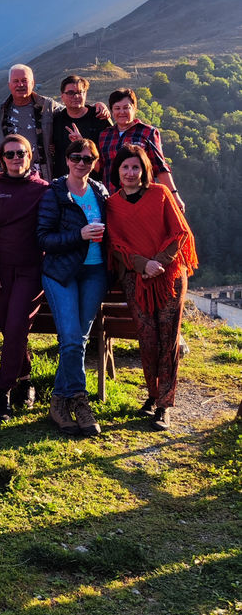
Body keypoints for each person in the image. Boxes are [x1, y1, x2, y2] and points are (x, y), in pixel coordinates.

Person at [105, 144, 197, 430]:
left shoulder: (160, 194)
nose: (130, 173)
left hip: (169, 276)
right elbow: (115, 244)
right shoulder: (112, 204)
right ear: (117, 171)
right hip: (137, 278)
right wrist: (142, 264)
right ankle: (152, 394)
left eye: (136, 167)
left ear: (145, 170)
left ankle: (164, 405)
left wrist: (158, 262)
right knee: (147, 338)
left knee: (168, 339)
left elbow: (179, 232)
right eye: (125, 167)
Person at [37, 138, 109, 438]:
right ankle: (80, 400)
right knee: (71, 339)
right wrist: (79, 235)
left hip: (94, 273)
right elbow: (43, 239)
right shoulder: (55, 193)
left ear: (95, 163)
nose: (82, 163)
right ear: (67, 160)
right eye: (77, 157)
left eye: (88, 159)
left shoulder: (100, 192)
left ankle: (58, 402)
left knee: (78, 340)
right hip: (61, 274)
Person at [0, 135, 49, 422]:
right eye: (10, 154)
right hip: (1, 273)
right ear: (2, 159)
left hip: (31, 272)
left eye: (21, 153)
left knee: (17, 325)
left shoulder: (44, 190)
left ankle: (3, 393)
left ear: (30, 156)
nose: (15, 158)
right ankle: (25, 379)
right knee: (11, 330)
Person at [98, 88, 184, 210]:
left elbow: (159, 166)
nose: (122, 112)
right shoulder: (105, 135)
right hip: (113, 201)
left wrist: (174, 195)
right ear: (111, 110)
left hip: (143, 200)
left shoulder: (148, 132)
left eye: (126, 107)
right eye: (117, 108)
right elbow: (101, 168)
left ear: (134, 108)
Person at [52, 74, 111, 176]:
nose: (76, 96)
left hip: (94, 184)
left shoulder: (100, 117)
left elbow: (109, 158)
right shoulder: (55, 121)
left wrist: (82, 144)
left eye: (80, 92)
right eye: (71, 93)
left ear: (86, 94)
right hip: (63, 184)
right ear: (62, 96)